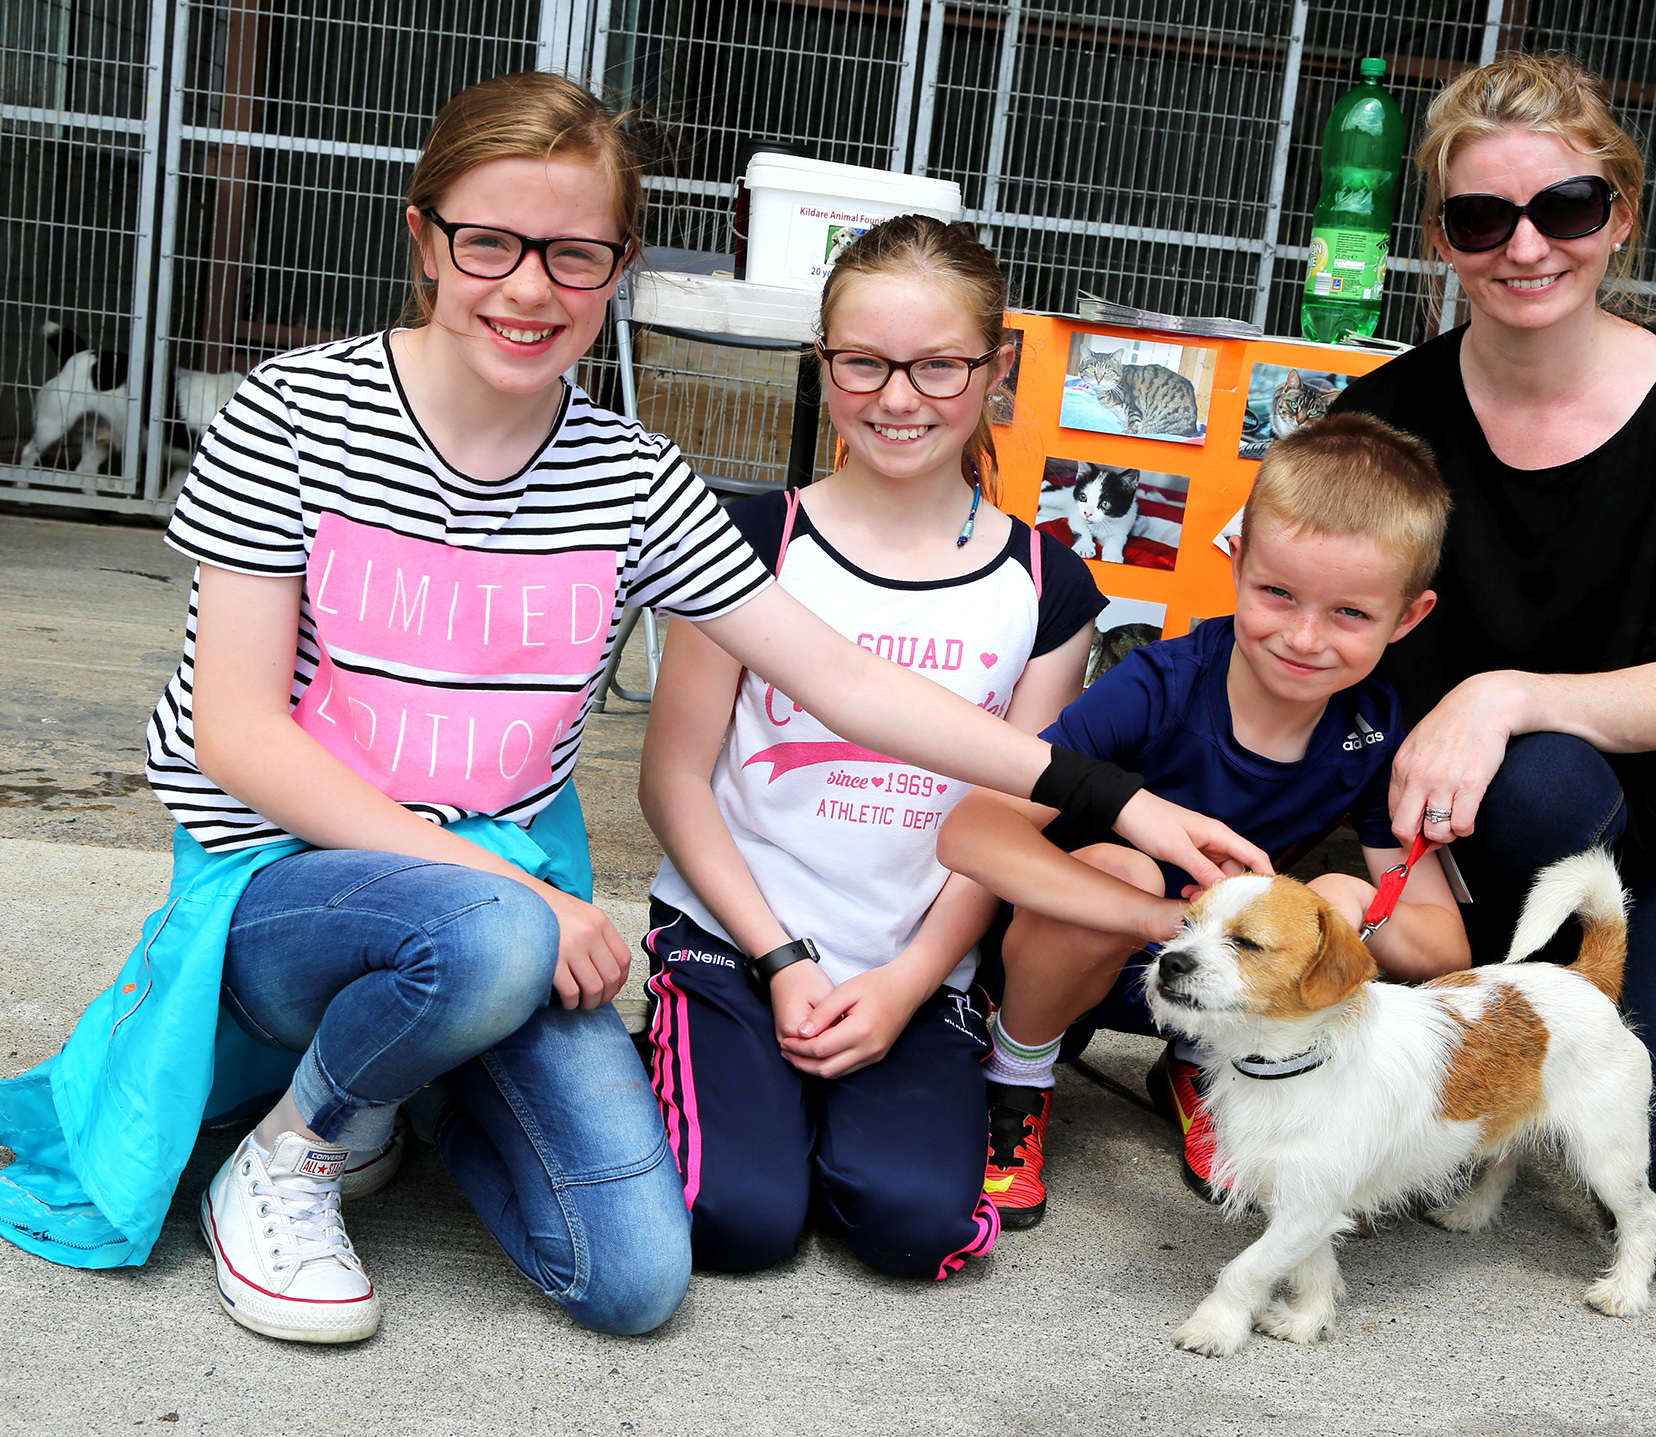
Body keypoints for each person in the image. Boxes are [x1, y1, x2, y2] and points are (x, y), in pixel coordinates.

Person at [0, 75, 1266, 1345]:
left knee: (634, 1278)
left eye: (575, 253)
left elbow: (850, 685)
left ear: (619, 268)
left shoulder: (629, 474)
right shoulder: (289, 413)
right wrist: (530, 902)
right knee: (484, 932)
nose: (528, 287)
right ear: (423, 236)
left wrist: (1126, 803)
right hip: (295, 886)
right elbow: (239, 736)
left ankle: (420, 1079)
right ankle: (293, 1149)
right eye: (488, 241)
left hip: (504, 907)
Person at [1328, 51, 1656, 1303]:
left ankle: (1557, 1048)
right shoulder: (1379, 423)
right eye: (1480, 218)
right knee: (1540, 788)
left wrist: (1496, 691)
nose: (1526, 248)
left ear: (1621, 215)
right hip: (1455, 835)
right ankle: (1510, 1052)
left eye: (1566, 208)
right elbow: (1316, 660)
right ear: (1439, 239)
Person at [636, 216, 1104, 1279]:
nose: (899, 398)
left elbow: (1006, 829)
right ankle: (698, 1059)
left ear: (1000, 370)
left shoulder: (1048, 585)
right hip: (737, 944)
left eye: (939, 365)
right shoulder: (749, 541)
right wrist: (780, 959)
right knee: (736, 1223)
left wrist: (908, 984)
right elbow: (673, 780)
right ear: (823, 365)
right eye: (864, 363)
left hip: (913, 968)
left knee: (912, 1225)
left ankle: (825, 1098)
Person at [939, 413, 1470, 1228]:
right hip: (1073, 960)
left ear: (1409, 616)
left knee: (1322, 897)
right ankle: (1015, 1078)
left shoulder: (1373, 728)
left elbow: (1444, 948)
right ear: (1236, 562)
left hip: (1219, 985)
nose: (1303, 635)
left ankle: (1203, 1064)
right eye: (1278, 593)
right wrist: (1160, 915)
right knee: (1127, 867)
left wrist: (1351, 909)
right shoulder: (1157, 684)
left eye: (1350, 614)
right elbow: (970, 832)